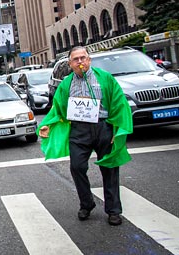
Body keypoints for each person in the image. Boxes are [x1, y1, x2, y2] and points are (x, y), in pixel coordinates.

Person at [38, 46, 133, 226]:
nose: (80, 62)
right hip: (79, 130)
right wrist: (47, 125)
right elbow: (57, 107)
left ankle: (113, 210)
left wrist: (116, 130)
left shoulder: (104, 78)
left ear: (89, 60)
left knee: (110, 169)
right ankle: (86, 203)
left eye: (83, 58)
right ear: (70, 64)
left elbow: (119, 103)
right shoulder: (66, 84)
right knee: (77, 167)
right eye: (76, 59)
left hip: (103, 127)